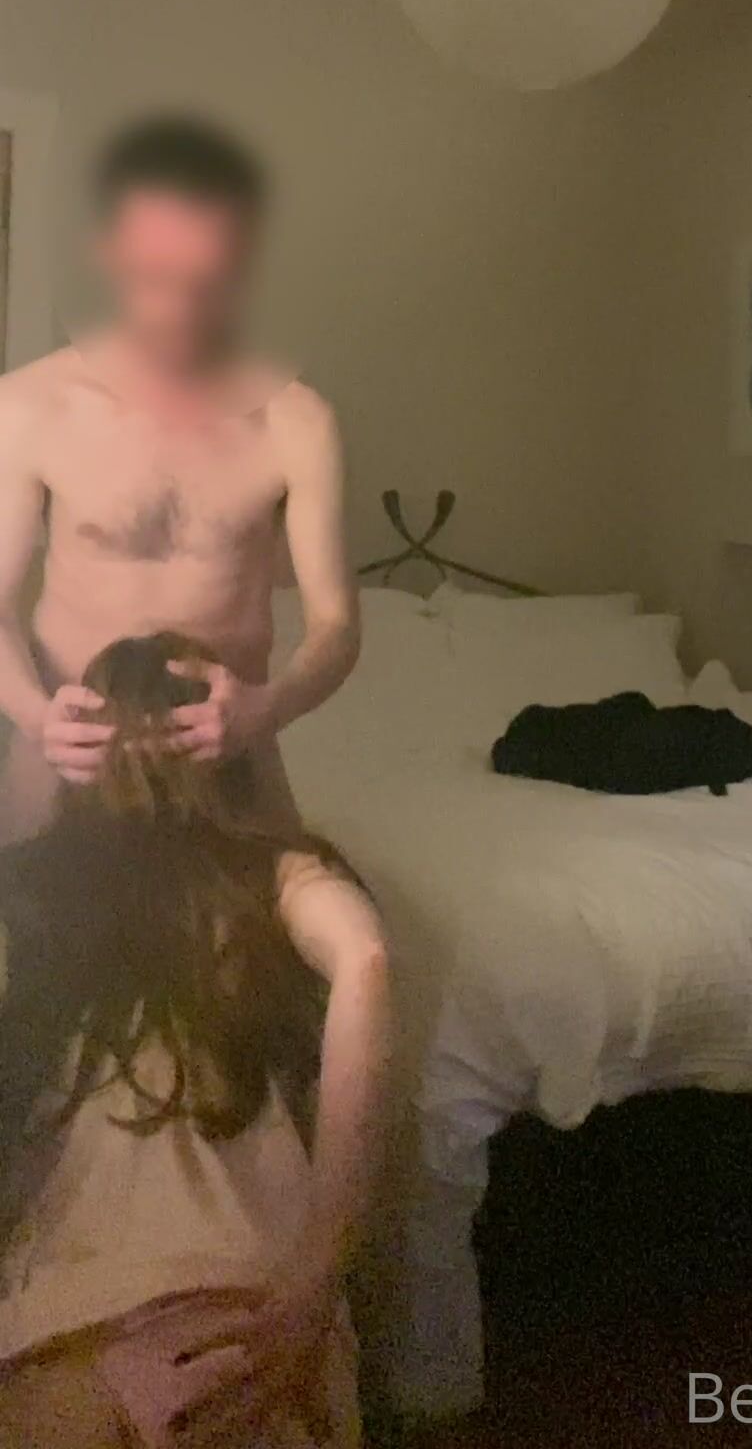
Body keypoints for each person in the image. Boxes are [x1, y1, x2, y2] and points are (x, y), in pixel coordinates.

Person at [0, 631, 388, 1448]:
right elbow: (366, 957)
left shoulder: (38, 882)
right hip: (255, 1298)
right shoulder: (273, 872)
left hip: (71, 1307)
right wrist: (320, 1276)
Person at [0, 115, 360, 843]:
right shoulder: (30, 406)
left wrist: (268, 707)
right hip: (69, 749)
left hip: (227, 752)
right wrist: (38, 718)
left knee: (306, 916)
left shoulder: (297, 422)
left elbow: (337, 626)